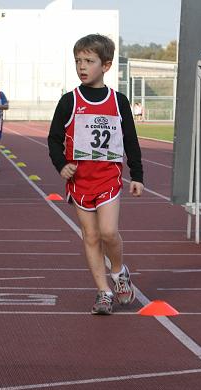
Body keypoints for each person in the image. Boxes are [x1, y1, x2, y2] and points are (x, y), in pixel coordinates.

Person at [48, 34, 144, 315]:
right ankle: (103, 292)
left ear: (106, 65)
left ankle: (119, 272)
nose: (82, 66)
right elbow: (54, 139)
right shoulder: (69, 101)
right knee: (90, 237)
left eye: (89, 61)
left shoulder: (118, 101)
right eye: (78, 60)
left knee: (109, 232)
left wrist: (137, 175)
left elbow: (131, 140)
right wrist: (60, 165)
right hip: (80, 181)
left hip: (108, 179)